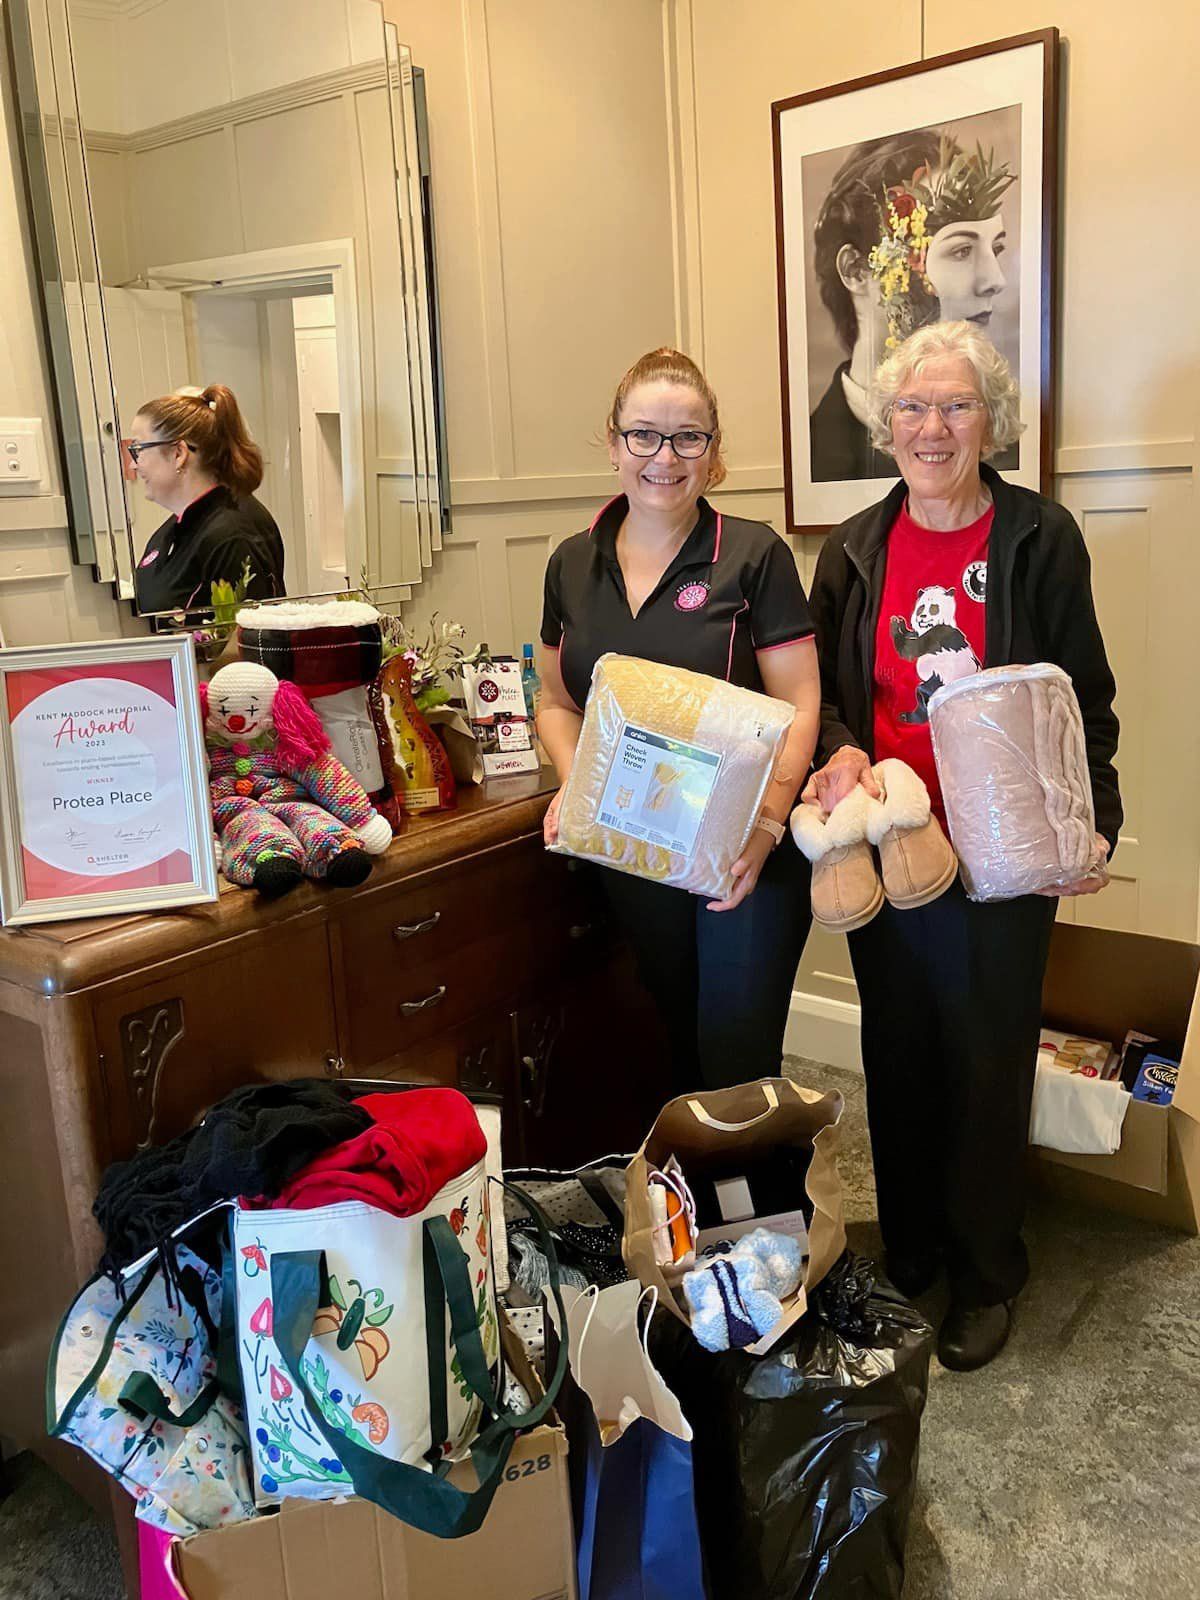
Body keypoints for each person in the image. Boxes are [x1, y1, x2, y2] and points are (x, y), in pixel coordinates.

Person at [803, 320, 1121, 1371]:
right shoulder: (853, 548)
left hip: (1008, 847)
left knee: (988, 1057)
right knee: (898, 1053)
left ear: (991, 421)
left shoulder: (1039, 538)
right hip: (894, 842)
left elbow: (1084, 695)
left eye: (956, 406)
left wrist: (1094, 815)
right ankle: (916, 1249)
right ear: (885, 423)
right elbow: (831, 705)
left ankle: (989, 1270)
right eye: (912, 407)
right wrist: (844, 756)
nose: (932, 428)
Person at [537, 348, 821, 1092]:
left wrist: (764, 829)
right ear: (613, 443)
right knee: (672, 1048)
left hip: (742, 852)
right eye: (644, 435)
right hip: (636, 848)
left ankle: (764, 1210)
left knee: (735, 1061)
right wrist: (577, 790)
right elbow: (557, 702)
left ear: (713, 453)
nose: (664, 457)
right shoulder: (571, 563)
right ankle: (686, 1210)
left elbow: (801, 706)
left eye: (688, 437)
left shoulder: (754, 556)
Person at [809, 129, 1016, 482]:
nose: (995, 279)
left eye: (994, 250)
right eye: (960, 251)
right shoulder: (816, 448)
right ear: (856, 270)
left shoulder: (1002, 453)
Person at [130, 384, 285, 614]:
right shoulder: (177, 528)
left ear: (178, 453)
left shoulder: (231, 535)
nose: (133, 464)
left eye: (139, 449)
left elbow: (242, 640)